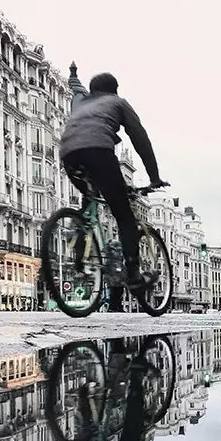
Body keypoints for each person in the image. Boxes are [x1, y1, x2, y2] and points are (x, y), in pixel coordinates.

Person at [60, 64, 169, 293]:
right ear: (114, 90)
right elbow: (140, 139)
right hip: (98, 151)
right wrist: (154, 176)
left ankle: (80, 252)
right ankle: (133, 274)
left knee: (88, 201)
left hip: (68, 154)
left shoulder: (80, 103)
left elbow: (75, 101)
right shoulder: (118, 102)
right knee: (124, 216)